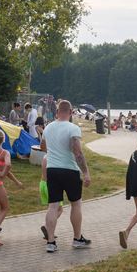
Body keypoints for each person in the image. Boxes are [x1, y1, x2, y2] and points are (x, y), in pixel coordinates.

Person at [41, 100, 91, 253]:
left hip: (52, 170)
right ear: (70, 112)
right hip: (69, 170)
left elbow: (43, 147)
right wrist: (86, 172)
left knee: (53, 206)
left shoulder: (48, 127)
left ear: (57, 112)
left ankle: (50, 242)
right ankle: (77, 239)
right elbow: (77, 152)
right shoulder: (73, 128)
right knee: (75, 204)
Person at [39, 155, 63, 240]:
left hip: (42, 183)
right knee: (58, 209)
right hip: (50, 186)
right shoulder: (54, 158)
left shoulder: (45, 157)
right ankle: (47, 227)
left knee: (51, 209)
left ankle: (49, 230)